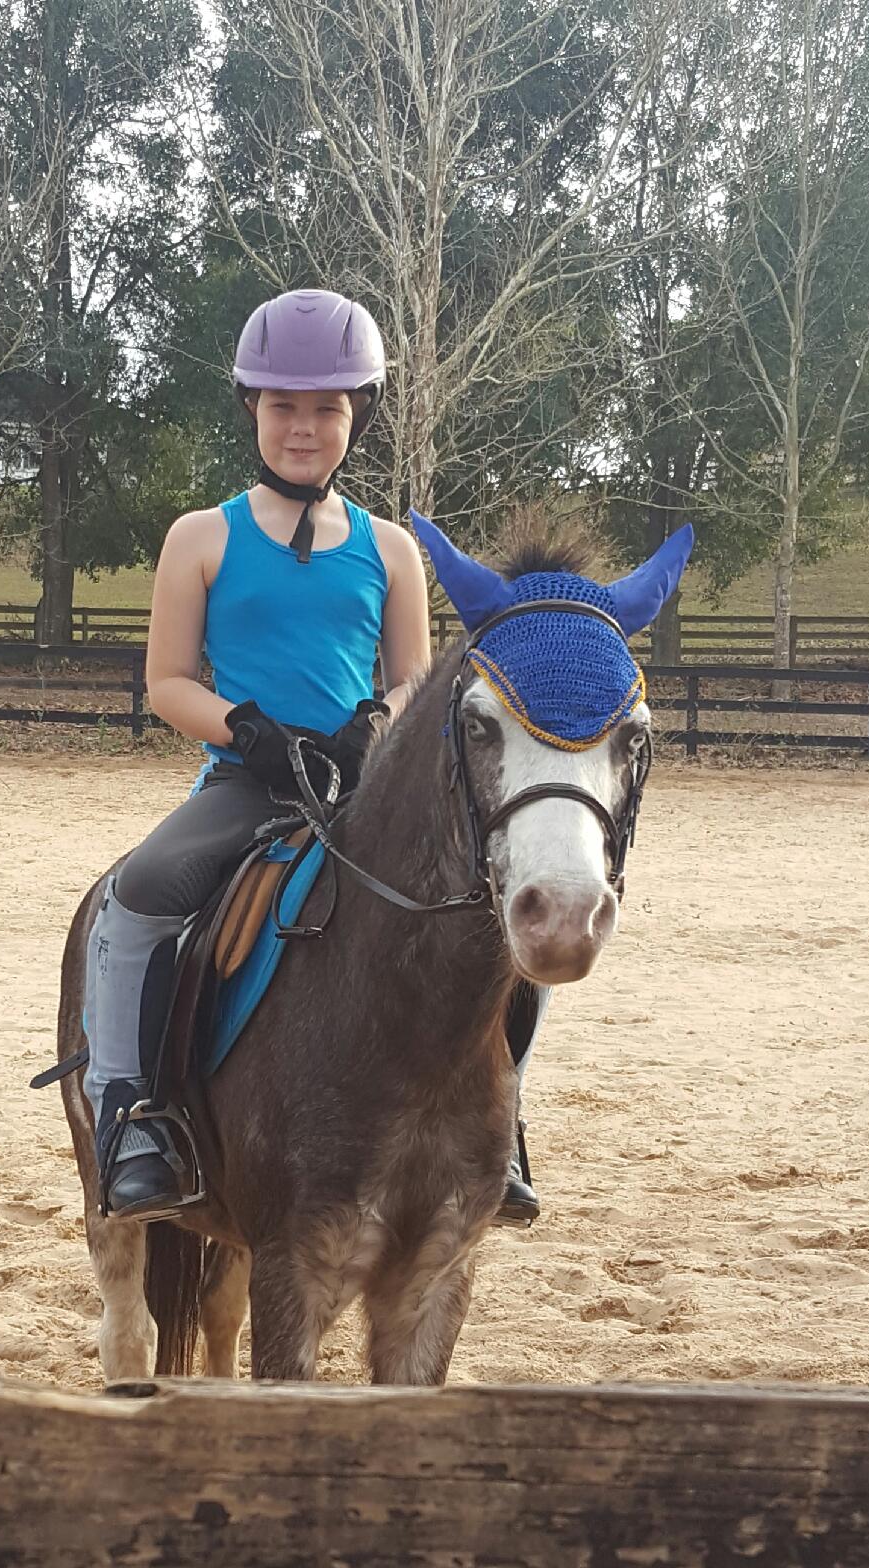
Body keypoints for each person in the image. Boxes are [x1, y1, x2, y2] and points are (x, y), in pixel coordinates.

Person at [82, 287, 541, 1225]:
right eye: (284, 406)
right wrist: (246, 728)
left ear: (355, 416)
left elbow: (416, 675)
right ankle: (134, 1113)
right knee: (138, 896)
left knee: (502, 926)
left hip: (369, 788)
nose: (304, 427)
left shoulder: (391, 548)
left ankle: (504, 1125)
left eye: (326, 407)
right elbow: (167, 680)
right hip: (249, 783)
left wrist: (375, 724)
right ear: (252, 408)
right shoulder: (201, 538)